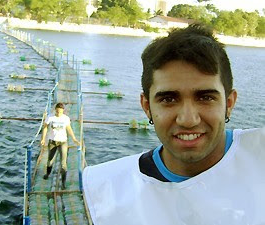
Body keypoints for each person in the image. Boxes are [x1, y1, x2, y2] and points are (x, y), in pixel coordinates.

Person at [82, 24, 265, 225]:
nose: (188, 120)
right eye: (168, 99)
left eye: (205, 97)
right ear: (146, 106)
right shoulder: (106, 191)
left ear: (229, 103)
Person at [41, 102, 79, 189]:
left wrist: (74, 139)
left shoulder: (66, 119)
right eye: (57, 112)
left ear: (63, 111)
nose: (59, 113)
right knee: (50, 161)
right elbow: (45, 127)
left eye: (60, 112)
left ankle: (63, 183)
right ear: (55, 110)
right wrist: (43, 139)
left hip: (63, 142)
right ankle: (47, 173)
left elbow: (69, 128)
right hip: (53, 142)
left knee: (63, 164)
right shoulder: (50, 117)